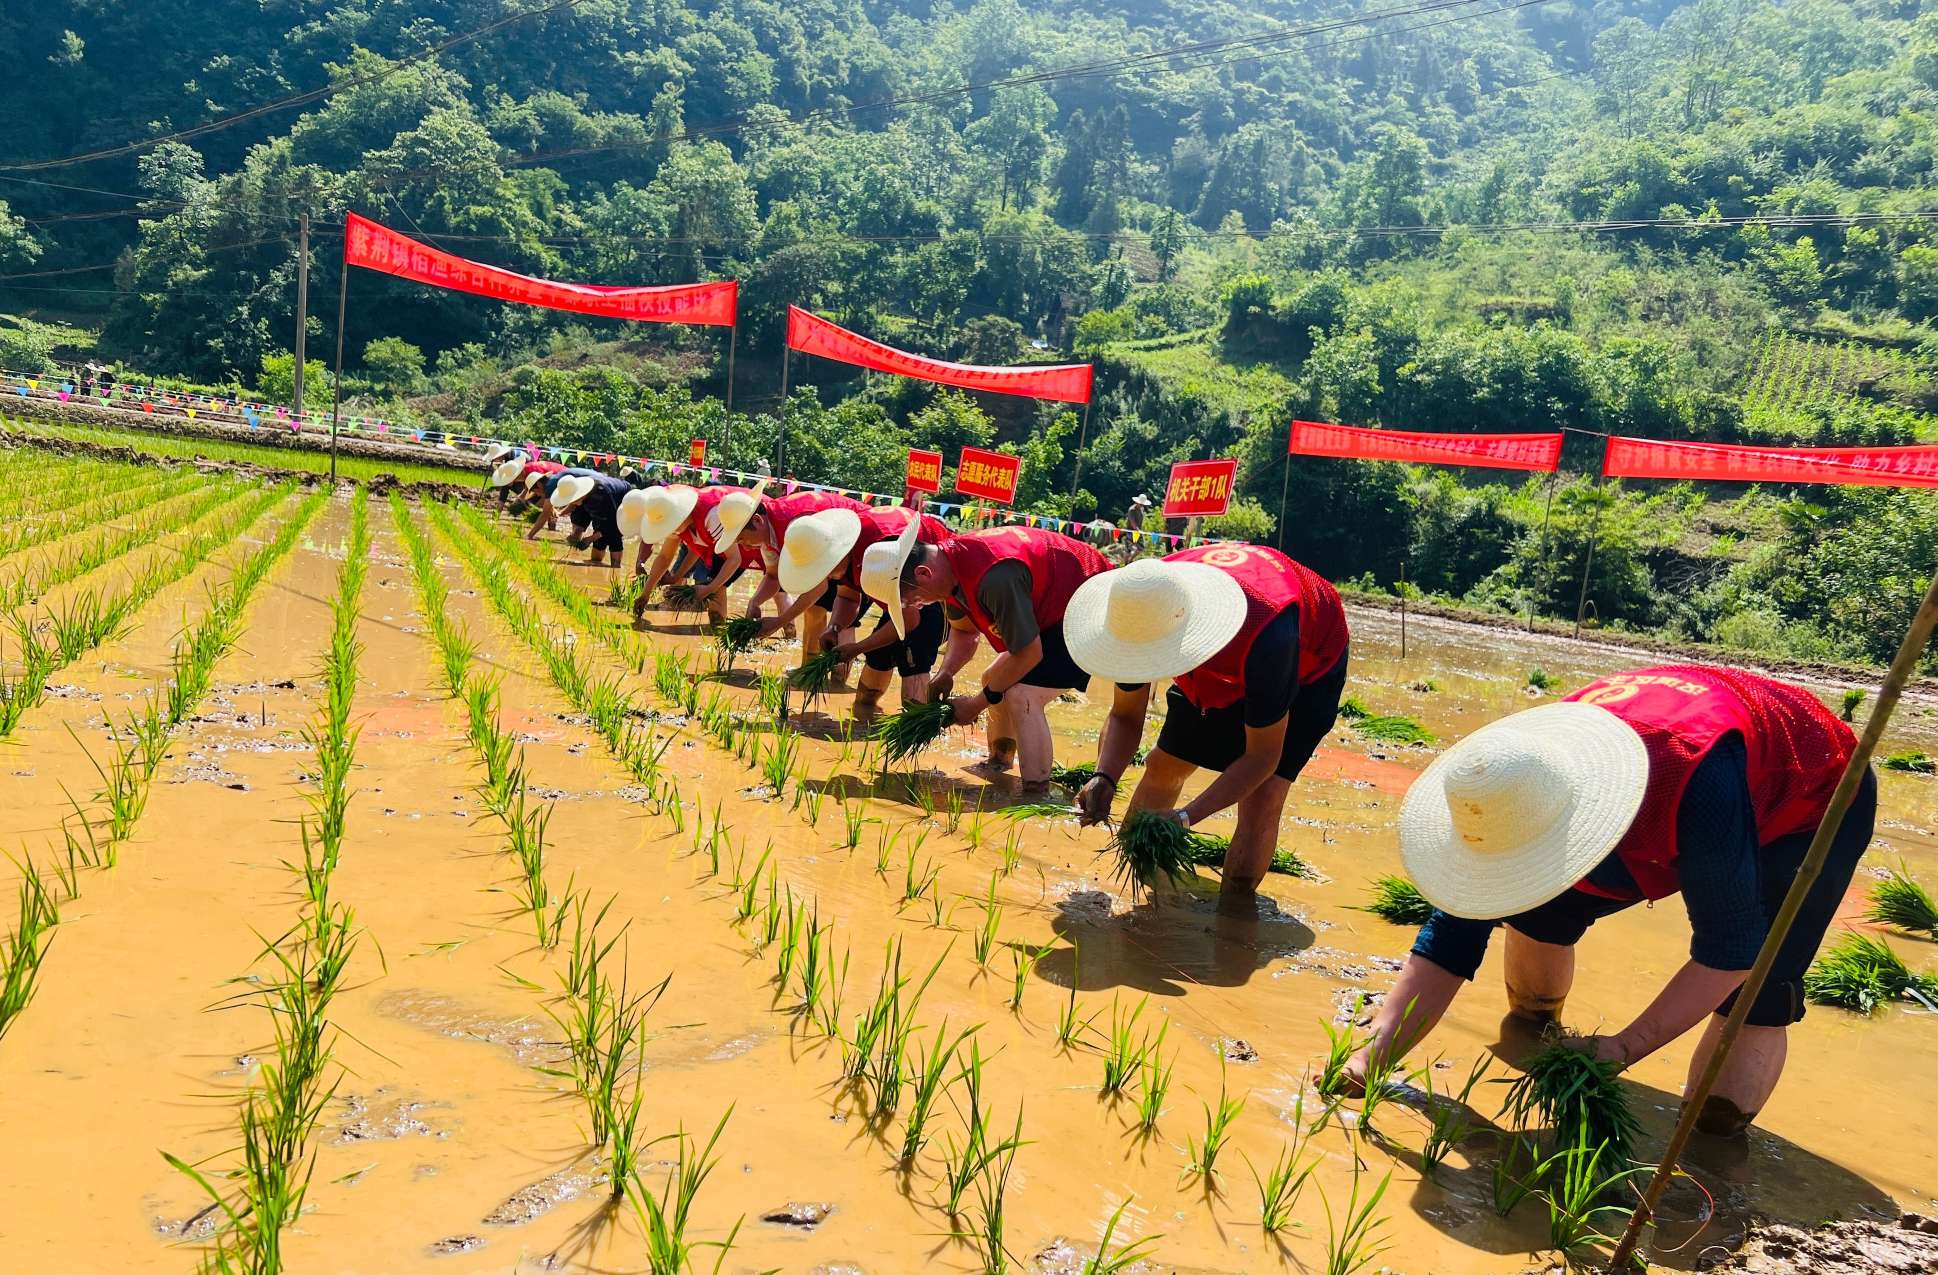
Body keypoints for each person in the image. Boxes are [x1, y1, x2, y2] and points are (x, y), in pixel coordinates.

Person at [1341, 664, 1870, 1137]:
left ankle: (1713, 1143)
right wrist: (1371, 1059)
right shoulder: (1520, 773)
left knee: (1758, 983)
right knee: (1535, 906)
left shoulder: (1694, 779)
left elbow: (1732, 948)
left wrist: (1623, 1046)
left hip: (1808, 799)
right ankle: (1534, 1026)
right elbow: (1453, 932)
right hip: (1684, 751)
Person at [1063, 545, 1349, 916]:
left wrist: (1186, 817)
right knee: (1165, 764)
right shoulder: (1140, 605)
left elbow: (1262, 756)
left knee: (1264, 795)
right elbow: (1125, 716)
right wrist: (1104, 776)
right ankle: (1134, 892)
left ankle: (1234, 914)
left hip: (1309, 664)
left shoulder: (1270, 635)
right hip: (1216, 652)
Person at [866, 520, 1112, 791]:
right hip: (1052, 611)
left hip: (1089, 606)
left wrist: (975, 704)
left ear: (923, 574)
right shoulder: (950, 570)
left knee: (1022, 694)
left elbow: (1029, 653)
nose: (916, 606)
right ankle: (999, 762)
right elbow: (963, 631)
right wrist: (946, 673)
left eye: (911, 600)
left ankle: (1035, 791)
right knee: (992, 677)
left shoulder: (994, 576)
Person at [757, 505, 952, 716]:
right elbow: (848, 597)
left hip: (932, 591)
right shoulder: (846, 551)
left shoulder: (883, 553)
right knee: (871, 678)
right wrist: (835, 627)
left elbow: (909, 620)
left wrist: (857, 648)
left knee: (913, 665)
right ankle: (867, 722)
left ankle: (917, 730)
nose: (828, 577)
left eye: (824, 569)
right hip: (900, 598)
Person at [710, 484, 872, 665]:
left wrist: (780, 621)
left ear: (757, 521)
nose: (745, 547)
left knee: (839, 619)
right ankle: (808, 671)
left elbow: (818, 587)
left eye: (742, 538)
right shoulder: (768, 534)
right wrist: (755, 601)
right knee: (815, 611)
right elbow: (773, 576)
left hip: (856, 545)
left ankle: (831, 680)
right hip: (828, 550)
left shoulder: (796, 527)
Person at [552, 471, 634, 567]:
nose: (571, 502)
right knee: (599, 531)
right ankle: (596, 563)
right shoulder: (580, 494)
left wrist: (590, 539)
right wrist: (562, 515)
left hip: (623, 498)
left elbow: (612, 522)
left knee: (614, 535)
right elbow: (579, 518)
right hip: (603, 499)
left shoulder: (601, 495)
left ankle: (615, 569)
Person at [526, 467, 600, 540]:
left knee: (578, 526)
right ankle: (575, 547)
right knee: (577, 528)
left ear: (539, 484)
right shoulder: (554, 481)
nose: (538, 495)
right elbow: (574, 501)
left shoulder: (550, 486)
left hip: (596, 488)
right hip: (596, 485)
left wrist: (530, 535)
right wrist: (560, 513)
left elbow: (545, 514)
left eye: (535, 491)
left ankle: (575, 544)